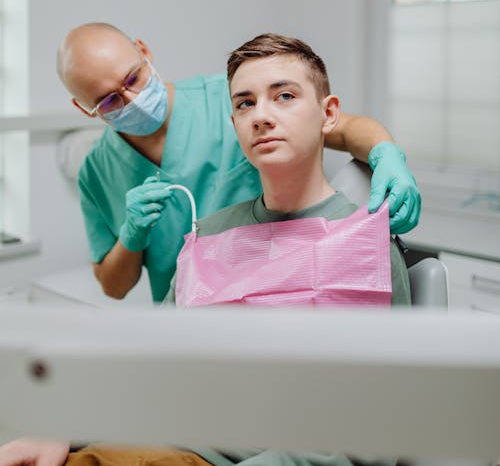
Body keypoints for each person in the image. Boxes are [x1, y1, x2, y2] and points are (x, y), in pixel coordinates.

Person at [1, 33, 410, 466]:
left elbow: (366, 432)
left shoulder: (363, 250)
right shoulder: (207, 235)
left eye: (284, 96)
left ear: (327, 113)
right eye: (245, 104)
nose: (262, 116)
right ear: (233, 122)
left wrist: (385, 152)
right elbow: (157, 366)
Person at [56, 23, 420, 303]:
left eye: (133, 78)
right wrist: (131, 236)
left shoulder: (225, 97)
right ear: (83, 108)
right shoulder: (96, 171)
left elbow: (341, 128)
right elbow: (114, 287)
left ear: (143, 52)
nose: (131, 99)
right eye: (108, 102)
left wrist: (384, 152)